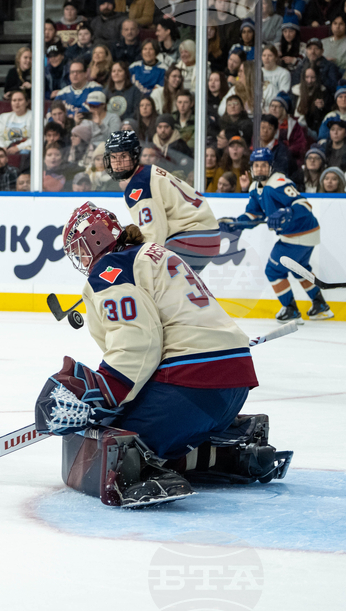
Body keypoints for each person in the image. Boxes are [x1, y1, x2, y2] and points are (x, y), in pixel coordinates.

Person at [36, 201, 291, 508]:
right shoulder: (154, 255)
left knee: (112, 446)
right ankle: (233, 449)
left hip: (189, 388)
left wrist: (103, 391)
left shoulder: (110, 270)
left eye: (79, 249)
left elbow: (138, 342)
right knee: (125, 423)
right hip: (231, 386)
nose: (79, 258)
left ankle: (150, 472)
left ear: (96, 237)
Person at [219, 148, 334, 322]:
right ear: (251, 168)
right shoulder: (255, 188)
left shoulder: (278, 183)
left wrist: (287, 211)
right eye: (256, 165)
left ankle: (291, 310)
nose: (259, 169)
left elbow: (304, 204)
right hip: (299, 234)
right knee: (299, 270)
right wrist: (238, 224)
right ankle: (320, 306)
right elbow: (254, 215)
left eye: (263, 165)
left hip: (299, 232)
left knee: (273, 270)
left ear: (270, 167)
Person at [104, 131, 220, 273]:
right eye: (113, 157)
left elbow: (154, 238)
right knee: (176, 288)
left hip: (191, 237)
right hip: (203, 235)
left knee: (155, 281)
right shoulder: (147, 172)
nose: (118, 163)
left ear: (134, 156)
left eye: (123, 156)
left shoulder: (139, 186)